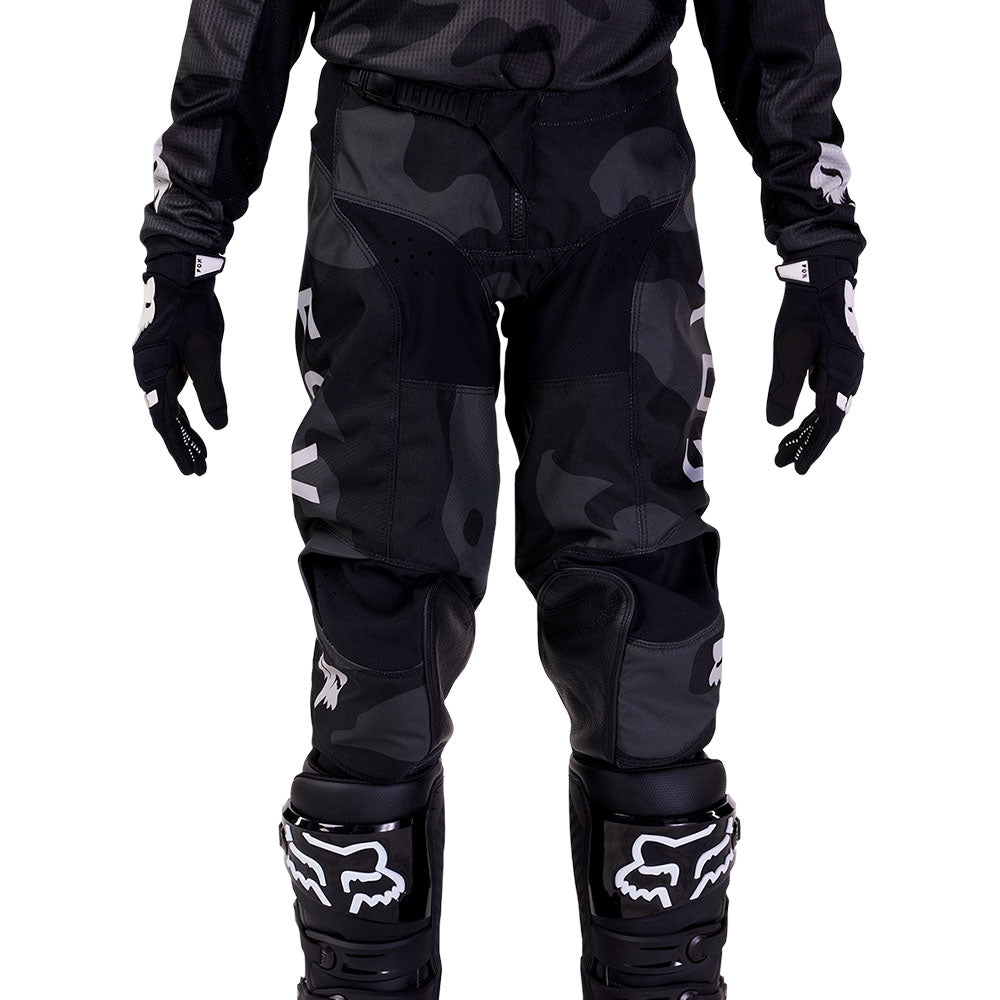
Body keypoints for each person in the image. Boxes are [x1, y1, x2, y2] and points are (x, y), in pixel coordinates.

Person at [133, 2, 864, 997]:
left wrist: (818, 238)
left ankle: (656, 976)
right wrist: (183, 239)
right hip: (409, 164)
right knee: (388, 619)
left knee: (637, 617)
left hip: (598, 158)